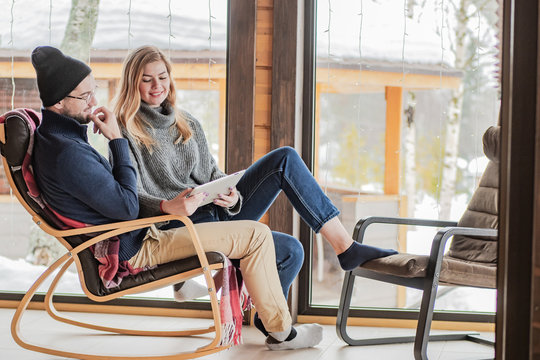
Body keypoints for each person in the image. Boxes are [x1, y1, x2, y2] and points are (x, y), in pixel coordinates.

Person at [29, 45, 322, 351]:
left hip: (142, 232)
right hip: (140, 244)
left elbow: (122, 195)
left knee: (284, 245)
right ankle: (283, 333)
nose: (93, 102)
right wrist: (117, 140)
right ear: (59, 101)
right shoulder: (68, 153)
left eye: (94, 91)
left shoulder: (65, 139)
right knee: (258, 235)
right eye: (84, 96)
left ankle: (274, 322)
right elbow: (128, 207)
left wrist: (229, 196)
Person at [113, 45, 398, 336]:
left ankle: (342, 250)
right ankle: (333, 263)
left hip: (216, 211)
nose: (157, 86)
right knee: (292, 251)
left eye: (162, 77)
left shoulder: (186, 122)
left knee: (284, 160)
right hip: (181, 226)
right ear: (133, 82)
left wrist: (232, 196)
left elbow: (213, 174)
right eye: (147, 79)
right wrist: (167, 206)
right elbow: (129, 194)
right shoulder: (124, 130)